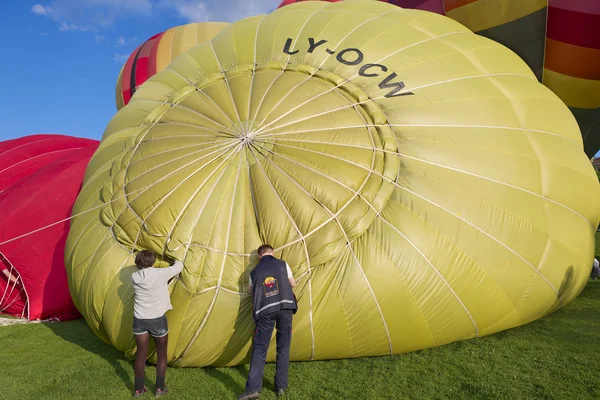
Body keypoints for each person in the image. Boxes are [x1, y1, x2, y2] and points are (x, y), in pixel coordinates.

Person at [238, 244, 297, 400]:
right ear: (272, 252)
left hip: (265, 311)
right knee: (283, 346)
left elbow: (251, 292)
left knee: (260, 348)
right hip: (285, 308)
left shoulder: (254, 271)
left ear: (259, 256)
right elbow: (293, 283)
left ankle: (252, 390)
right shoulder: (283, 264)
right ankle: (281, 387)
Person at [131, 250, 183, 398]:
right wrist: (173, 256)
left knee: (141, 354)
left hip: (139, 319)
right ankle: (159, 389)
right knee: (161, 355)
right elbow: (179, 266)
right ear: (152, 262)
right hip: (157, 320)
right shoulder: (160, 274)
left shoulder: (134, 276)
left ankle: (138, 390)